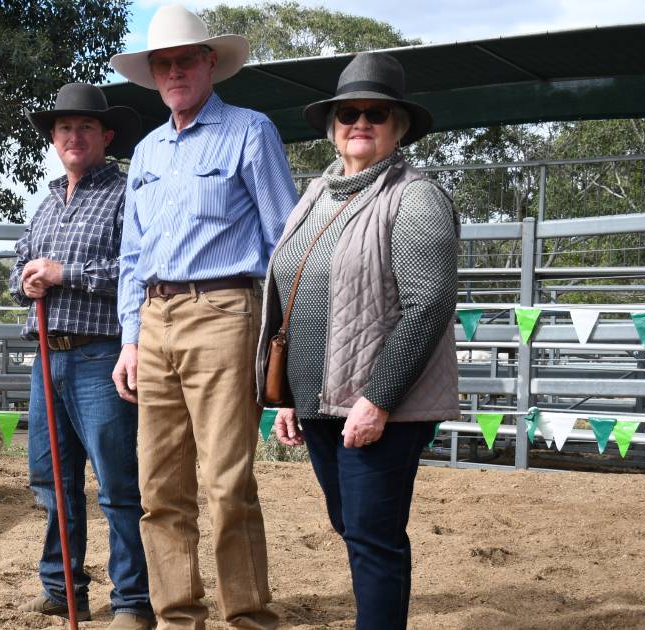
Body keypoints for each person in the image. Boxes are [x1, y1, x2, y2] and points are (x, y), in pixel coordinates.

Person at [256, 52, 460, 630]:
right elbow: (291, 297)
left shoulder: (415, 196)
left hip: (380, 407)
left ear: (399, 127)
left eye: (376, 113)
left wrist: (380, 398)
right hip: (322, 402)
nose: (360, 123)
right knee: (353, 524)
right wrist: (289, 395)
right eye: (349, 113)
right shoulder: (317, 194)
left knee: (373, 534)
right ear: (332, 126)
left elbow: (429, 306)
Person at [109, 5, 298, 628]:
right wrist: (130, 338)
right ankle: (176, 617)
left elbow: (285, 242)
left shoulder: (250, 131)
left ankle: (247, 617)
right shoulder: (146, 152)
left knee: (226, 481)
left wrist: (279, 337)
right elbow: (133, 255)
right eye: (162, 64)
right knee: (159, 487)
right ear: (153, 75)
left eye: (184, 59)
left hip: (225, 310)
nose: (174, 72)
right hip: (155, 319)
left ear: (209, 62)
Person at [10, 82, 154, 630]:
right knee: (51, 479)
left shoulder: (126, 195)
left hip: (101, 356)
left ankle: (132, 602)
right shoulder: (46, 201)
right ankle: (60, 585)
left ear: (106, 136)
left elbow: (136, 270)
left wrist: (64, 275)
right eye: (64, 127)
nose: (74, 136)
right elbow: (17, 269)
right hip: (47, 356)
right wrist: (26, 281)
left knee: (117, 483)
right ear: (54, 137)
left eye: (85, 127)